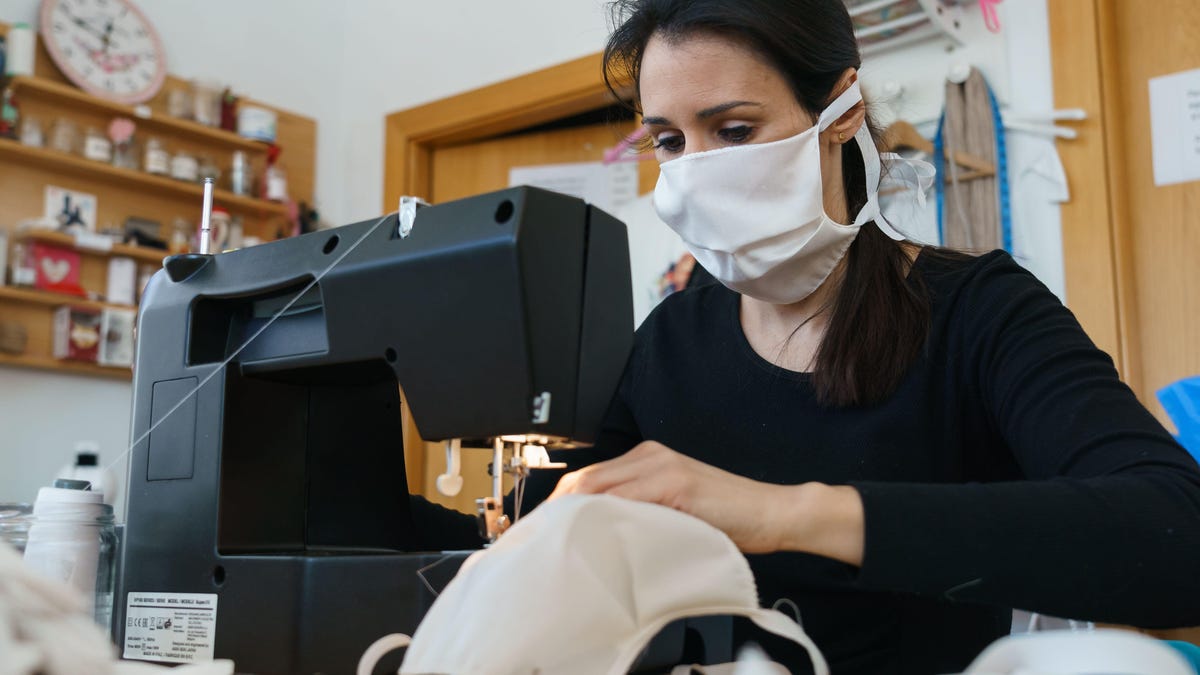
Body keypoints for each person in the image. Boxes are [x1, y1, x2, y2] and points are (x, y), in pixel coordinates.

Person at [416, 1, 1200, 672]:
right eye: (669, 141)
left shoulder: (980, 314)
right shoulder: (669, 340)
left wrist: (785, 513)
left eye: (732, 128)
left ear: (842, 113)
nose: (694, 170)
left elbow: (1175, 533)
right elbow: (533, 530)